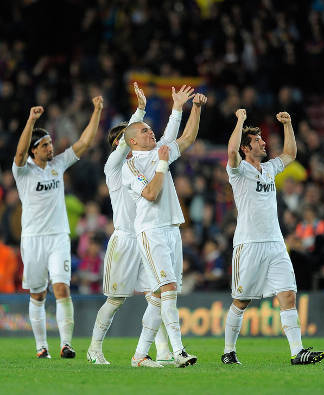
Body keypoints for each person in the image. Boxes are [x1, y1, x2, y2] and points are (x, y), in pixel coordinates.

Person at [87, 83, 195, 366]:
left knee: (156, 295)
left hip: (148, 233)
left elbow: (170, 138)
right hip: (125, 238)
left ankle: (155, 353)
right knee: (115, 299)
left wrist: (175, 110)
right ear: (120, 144)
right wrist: (141, 109)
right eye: (123, 140)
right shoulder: (115, 166)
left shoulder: (147, 157)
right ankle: (95, 348)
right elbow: (129, 139)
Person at [222, 109, 324, 365]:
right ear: (247, 148)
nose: (263, 142)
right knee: (241, 300)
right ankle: (228, 352)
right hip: (248, 244)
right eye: (258, 140)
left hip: (276, 244)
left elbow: (290, 154)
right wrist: (240, 121)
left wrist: (288, 124)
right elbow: (231, 150)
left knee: (288, 294)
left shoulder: (269, 169)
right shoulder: (238, 171)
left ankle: (297, 352)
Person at [12, 96, 103, 359]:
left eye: (50, 143)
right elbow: (18, 153)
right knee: (38, 294)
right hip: (33, 239)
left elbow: (84, 143)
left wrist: (96, 110)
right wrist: (31, 120)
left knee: (62, 287)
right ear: (34, 151)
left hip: (58, 237)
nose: (51, 148)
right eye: (44, 145)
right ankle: (42, 347)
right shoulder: (23, 172)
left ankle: (66, 344)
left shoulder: (57, 165)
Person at [122, 92, 207, 368]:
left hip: (171, 228)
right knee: (167, 287)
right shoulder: (131, 165)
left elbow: (187, 138)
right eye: (145, 130)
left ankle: (139, 355)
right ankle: (179, 350)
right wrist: (161, 161)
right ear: (133, 140)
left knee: (160, 296)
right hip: (151, 230)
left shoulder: (159, 152)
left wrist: (192, 108)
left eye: (150, 128)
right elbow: (150, 193)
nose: (151, 132)